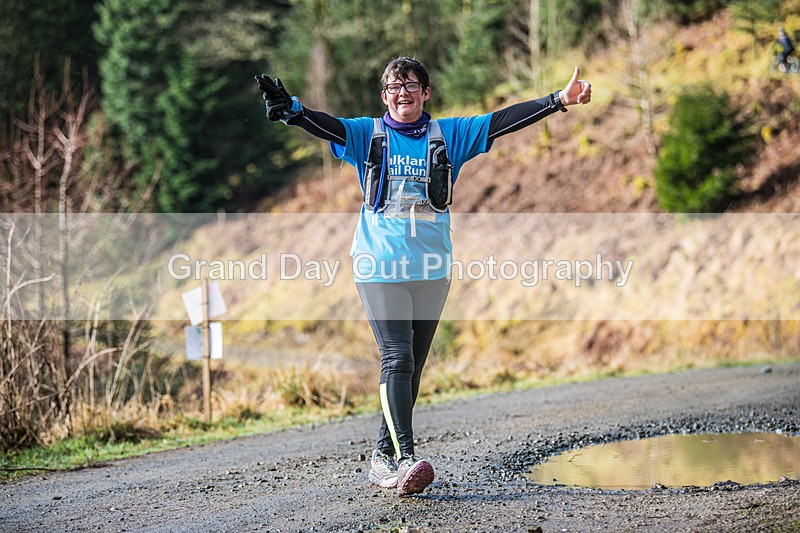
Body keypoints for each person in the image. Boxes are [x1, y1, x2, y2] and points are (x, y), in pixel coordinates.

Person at [255, 57, 591, 496]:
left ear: (426, 92)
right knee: (397, 357)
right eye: (394, 87)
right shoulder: (367, 135)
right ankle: (407, 458)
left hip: (432, 268)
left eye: (411, 85)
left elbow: (501, 121)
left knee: (411, 370)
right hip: (379, 264)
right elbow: (327, 125)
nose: (403, 93)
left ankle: (382, 459)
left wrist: (558, 101)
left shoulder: (448, 136)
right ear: (384, 96)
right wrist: (294, 110)